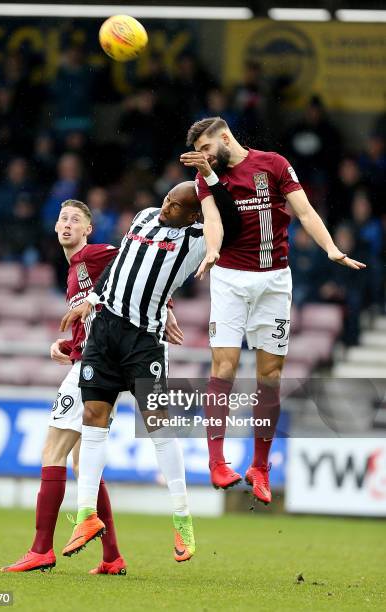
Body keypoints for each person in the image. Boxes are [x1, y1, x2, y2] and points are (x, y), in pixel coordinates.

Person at [181, 116, 366, 504]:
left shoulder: (274, 165)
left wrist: (330, 247)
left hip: (274, 281)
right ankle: (217, 461)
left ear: (225, 138)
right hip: (230, 279)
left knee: (270, 374)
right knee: (224, 367)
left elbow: (306, 212)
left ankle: (260, 467)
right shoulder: (206, 178)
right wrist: (212, 250)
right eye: (198, 153)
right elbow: (213, 219)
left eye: (206, 150)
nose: (203, 158)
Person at [59, 180, 240, 563]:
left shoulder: (198, 237)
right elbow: (118, 267)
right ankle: (87, 515)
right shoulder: (143, 218)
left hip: (144, 342)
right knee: (94, 417)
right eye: (165, 200)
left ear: (193, 214)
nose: (164, 208)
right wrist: (90, 300)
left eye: (174, 206)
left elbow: (226, 211)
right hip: (105, 331)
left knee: (158, 424)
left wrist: (208, 177)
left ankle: (182, 517)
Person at [1, 199, 125, 575]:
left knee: (52, 450)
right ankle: (111, 557)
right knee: (81, 462)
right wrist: (68, 346)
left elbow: (133, 264)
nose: (67, 224)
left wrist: (162, 305)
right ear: (55, 228)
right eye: (62, 218)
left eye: (76, 219)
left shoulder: (96, 253)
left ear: (88, 229)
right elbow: (97, 316)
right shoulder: (73, 270)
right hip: (98, 362)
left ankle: (41, 550)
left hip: (98, 367)